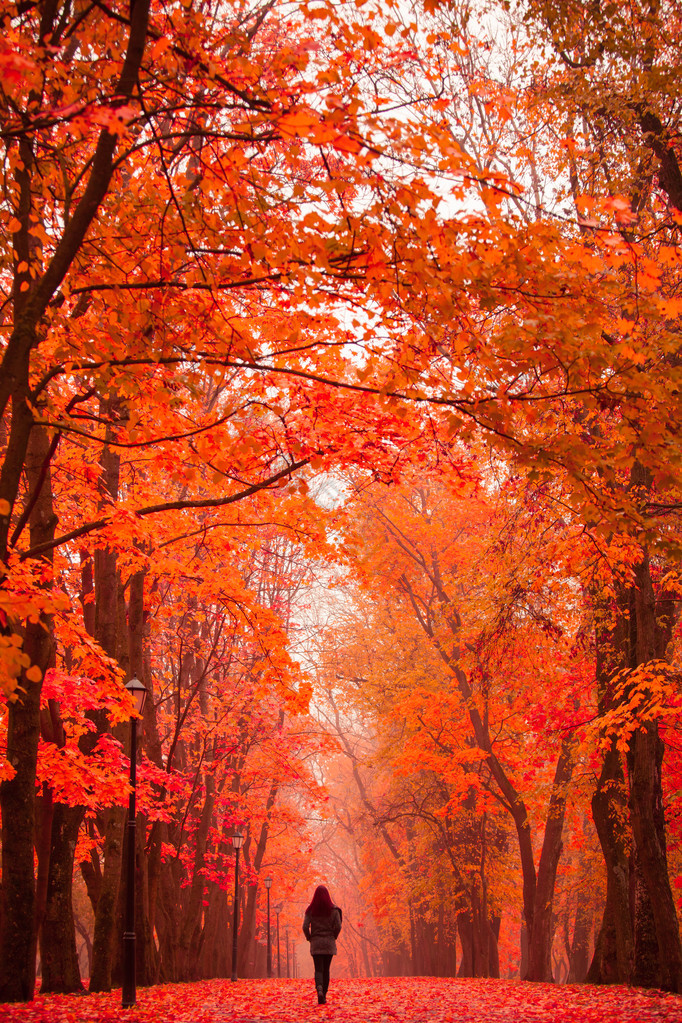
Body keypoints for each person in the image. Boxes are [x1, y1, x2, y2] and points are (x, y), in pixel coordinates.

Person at [302, 884, 342, 1004]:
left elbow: (304, 926)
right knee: (326, 970)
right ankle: (323, 994)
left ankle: (319, 988)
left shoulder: (311, 910)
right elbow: (338, 926)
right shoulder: (334, 910)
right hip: (329, 943)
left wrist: (309, 937)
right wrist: (334, 935)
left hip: (316, 943)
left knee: (318, 969)